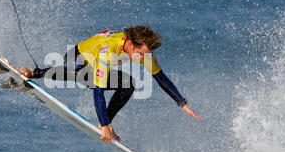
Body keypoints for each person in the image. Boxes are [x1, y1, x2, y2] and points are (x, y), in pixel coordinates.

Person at [20, 25, 202, 143]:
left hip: (94, 62)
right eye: (140, 54)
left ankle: (106, 122)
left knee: (129, 84)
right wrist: (104, 124)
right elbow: (98, 90)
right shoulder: (109, 50)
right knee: (83, 74)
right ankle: (33, 73)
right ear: (130, 45)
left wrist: (182, 103)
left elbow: (161, 77)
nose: (143, 58)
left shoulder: (143, 53)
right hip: (79, 56)